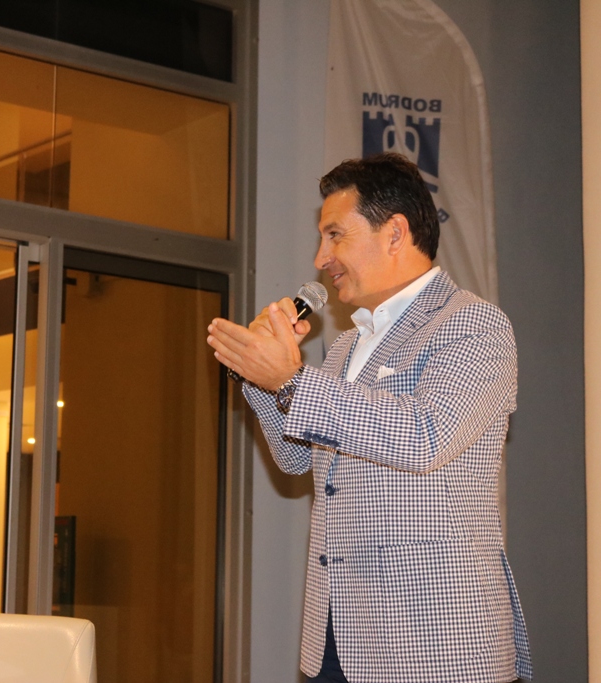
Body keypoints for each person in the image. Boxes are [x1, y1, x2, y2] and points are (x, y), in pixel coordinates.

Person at [206, 153, 532, 683]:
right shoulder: (347, 346)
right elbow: (295, 458)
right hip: (337, 634)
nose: (320, 258)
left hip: (433, 642)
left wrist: (292, 379)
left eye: (335, 235)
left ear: (395, 233)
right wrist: (263, 380)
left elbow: (425, 436)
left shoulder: (473, 325)